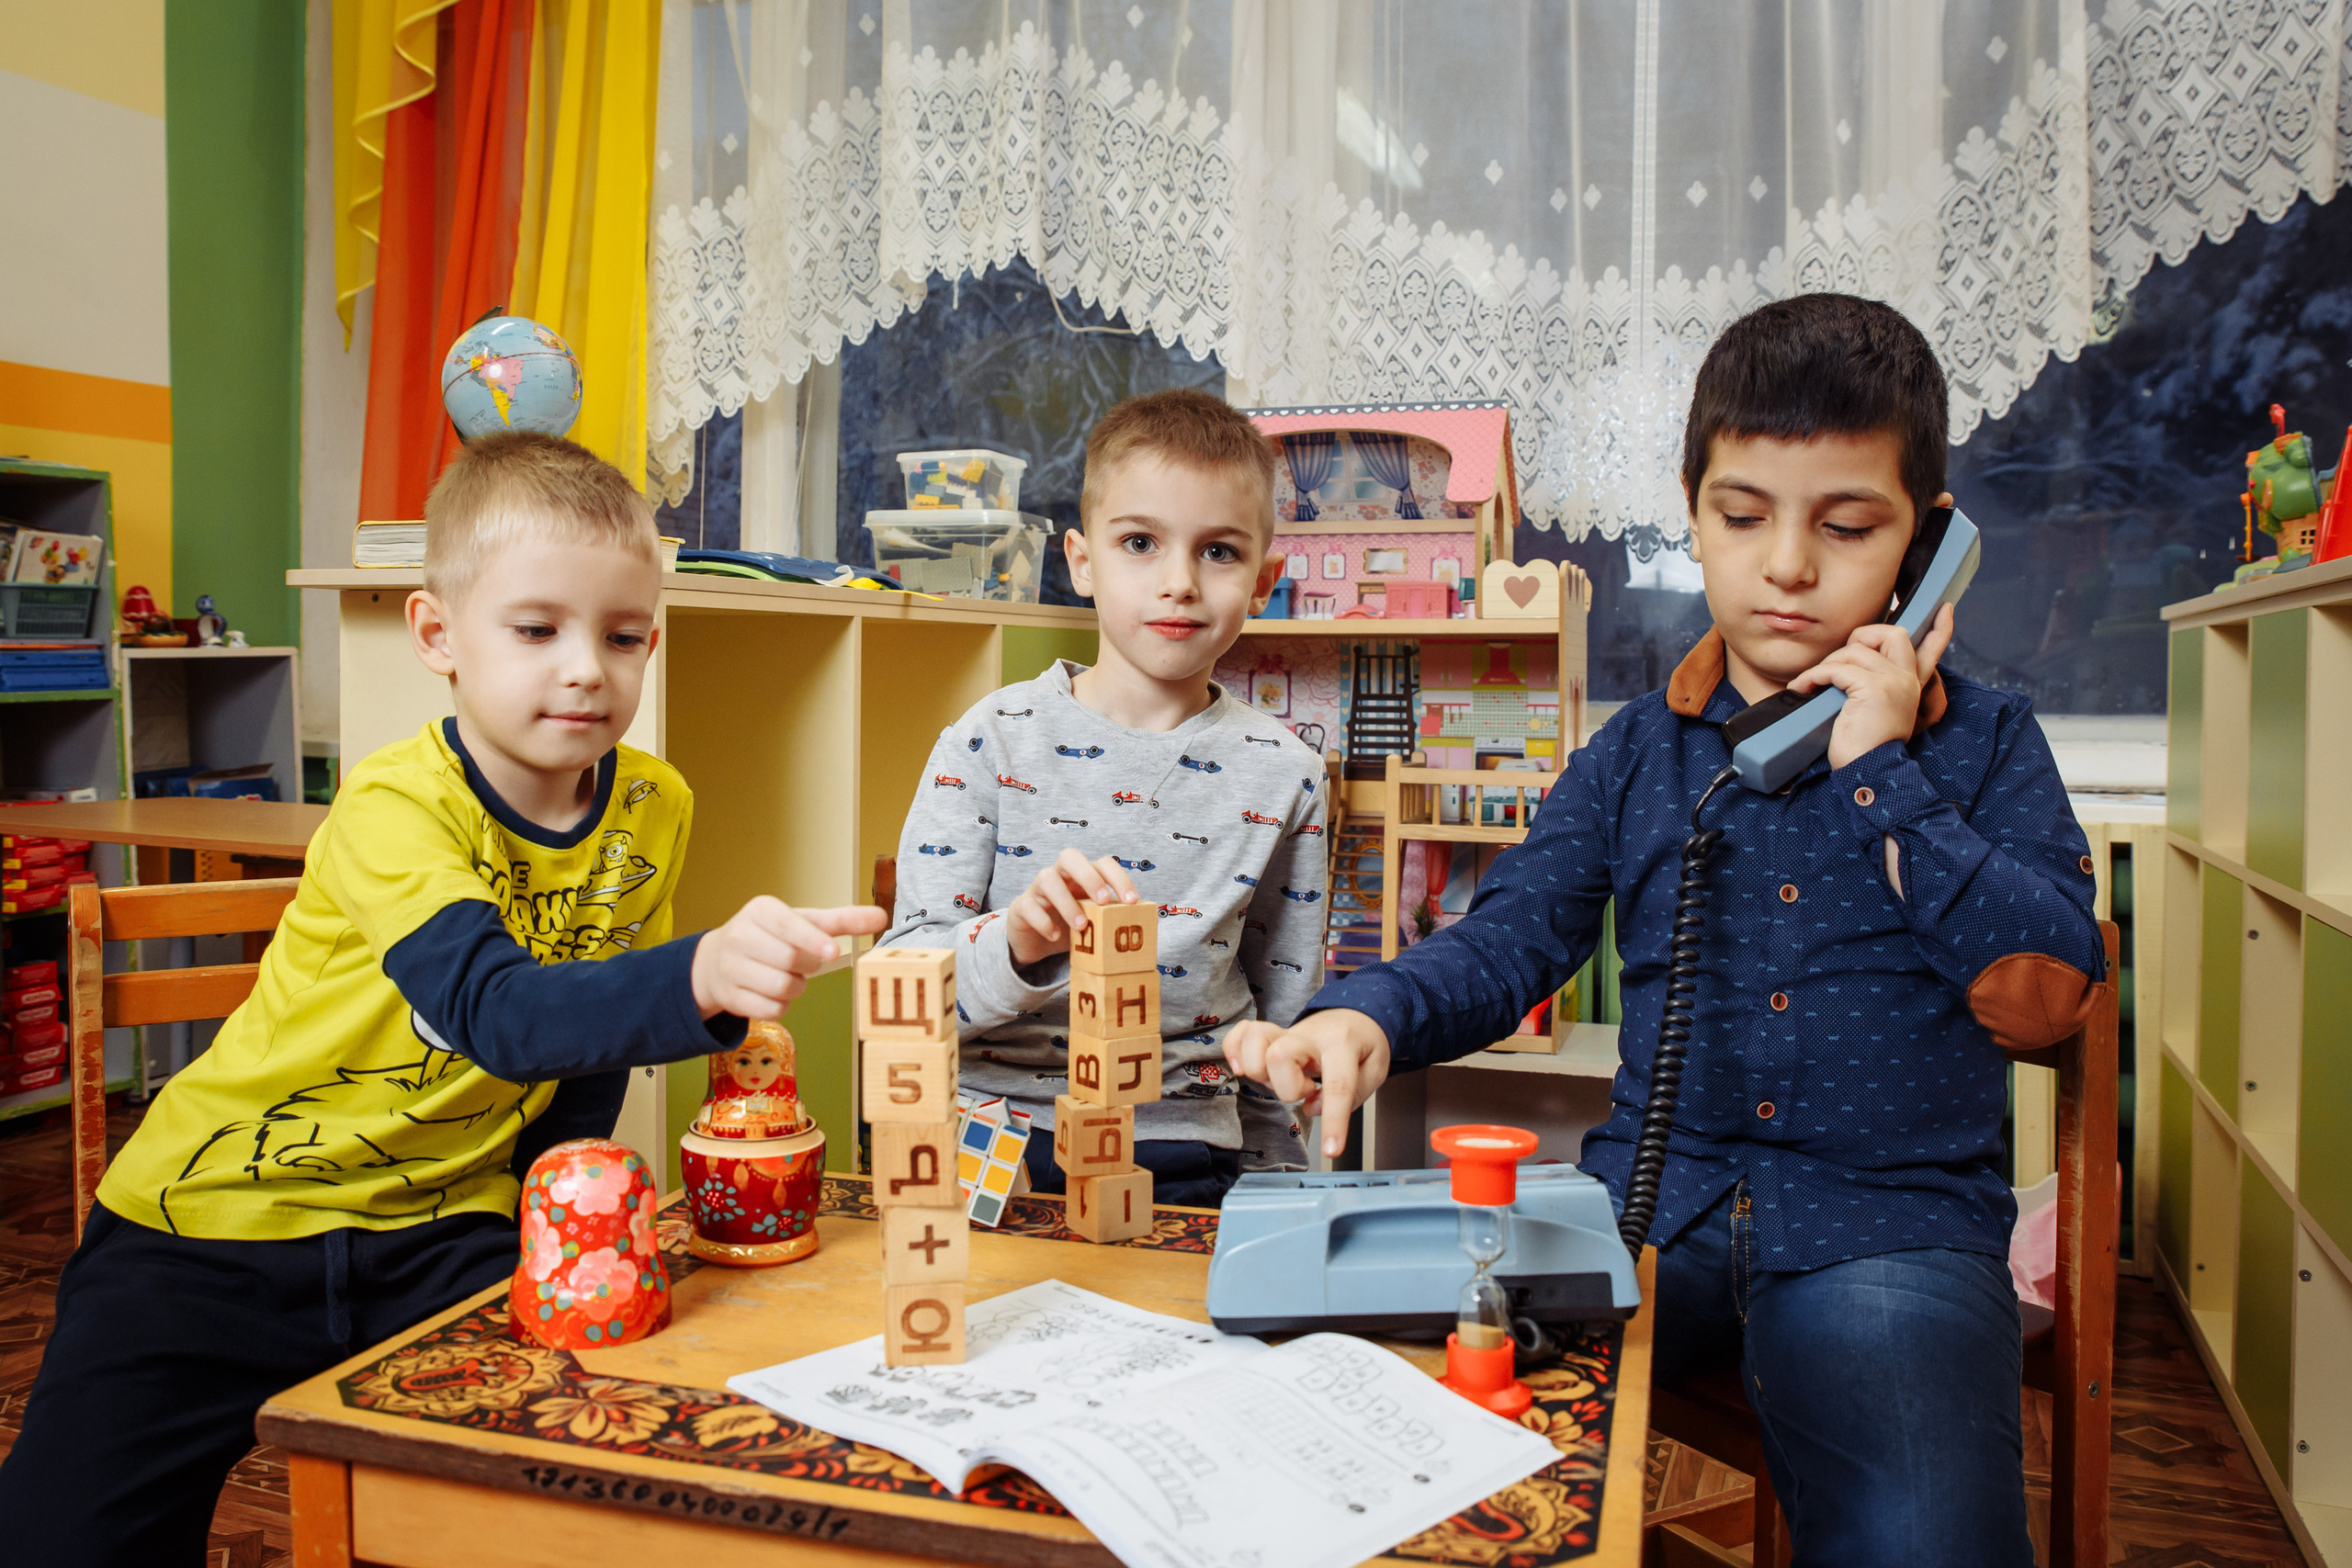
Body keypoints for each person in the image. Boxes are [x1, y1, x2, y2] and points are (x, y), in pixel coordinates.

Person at [1225, 294, 2103, 1565]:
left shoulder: (1986, 742)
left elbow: (2046, 995)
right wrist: (1368, 1011)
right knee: (1383, 1434)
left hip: (1890, 1231)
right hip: (1650, 1211)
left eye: (1847, 525)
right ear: (1692, 510)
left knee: (1931, 1539)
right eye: (1743, 516)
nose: (1788, 565)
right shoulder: (1640, 750)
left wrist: (1880, 773)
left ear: (1929, 550)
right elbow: (1518, 929)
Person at [0, 432, 883, 1564]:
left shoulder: (653, 804)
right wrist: (701, 975)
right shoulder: (390, 807)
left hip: (442, 1237)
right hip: (211, 1229)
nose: (585, 669)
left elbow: (586, 1048)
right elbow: (501, 1015)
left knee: (556, 1501)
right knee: (58, 1542)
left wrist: (546, 1217)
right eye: (535, 629)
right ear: (438, 636)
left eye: (621, 638)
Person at [882, 389, 1327, 1208]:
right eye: (1140, 543)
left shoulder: (1287, 772)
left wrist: (1284, 1200)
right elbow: (905, 989)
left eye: (1219, 552)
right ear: (1083, 561)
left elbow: (1284, 1021)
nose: (1179, 583)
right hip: (991, 1140)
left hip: (1184, 1150)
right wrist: (1016, 942)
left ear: (1263, 580)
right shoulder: (988, 741)